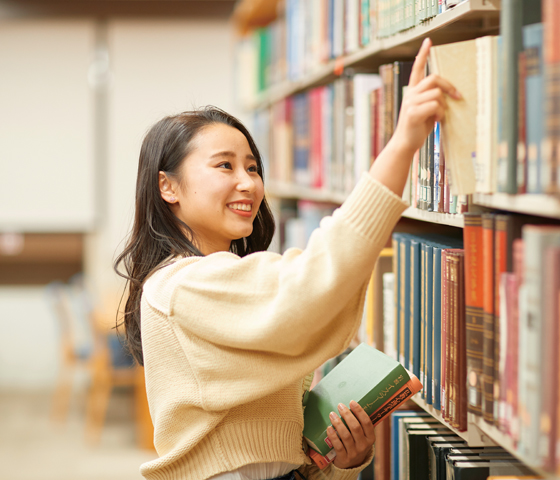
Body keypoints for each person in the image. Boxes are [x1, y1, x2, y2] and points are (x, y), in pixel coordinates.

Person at [115, 38, 460, 480]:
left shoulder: (220, 278)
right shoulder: (181, 287)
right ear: (168, 187)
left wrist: (343, 464)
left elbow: (282, 463)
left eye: (253, 167)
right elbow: (309, 285)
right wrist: (402, 144)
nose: (247, 183)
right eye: (224, 166)